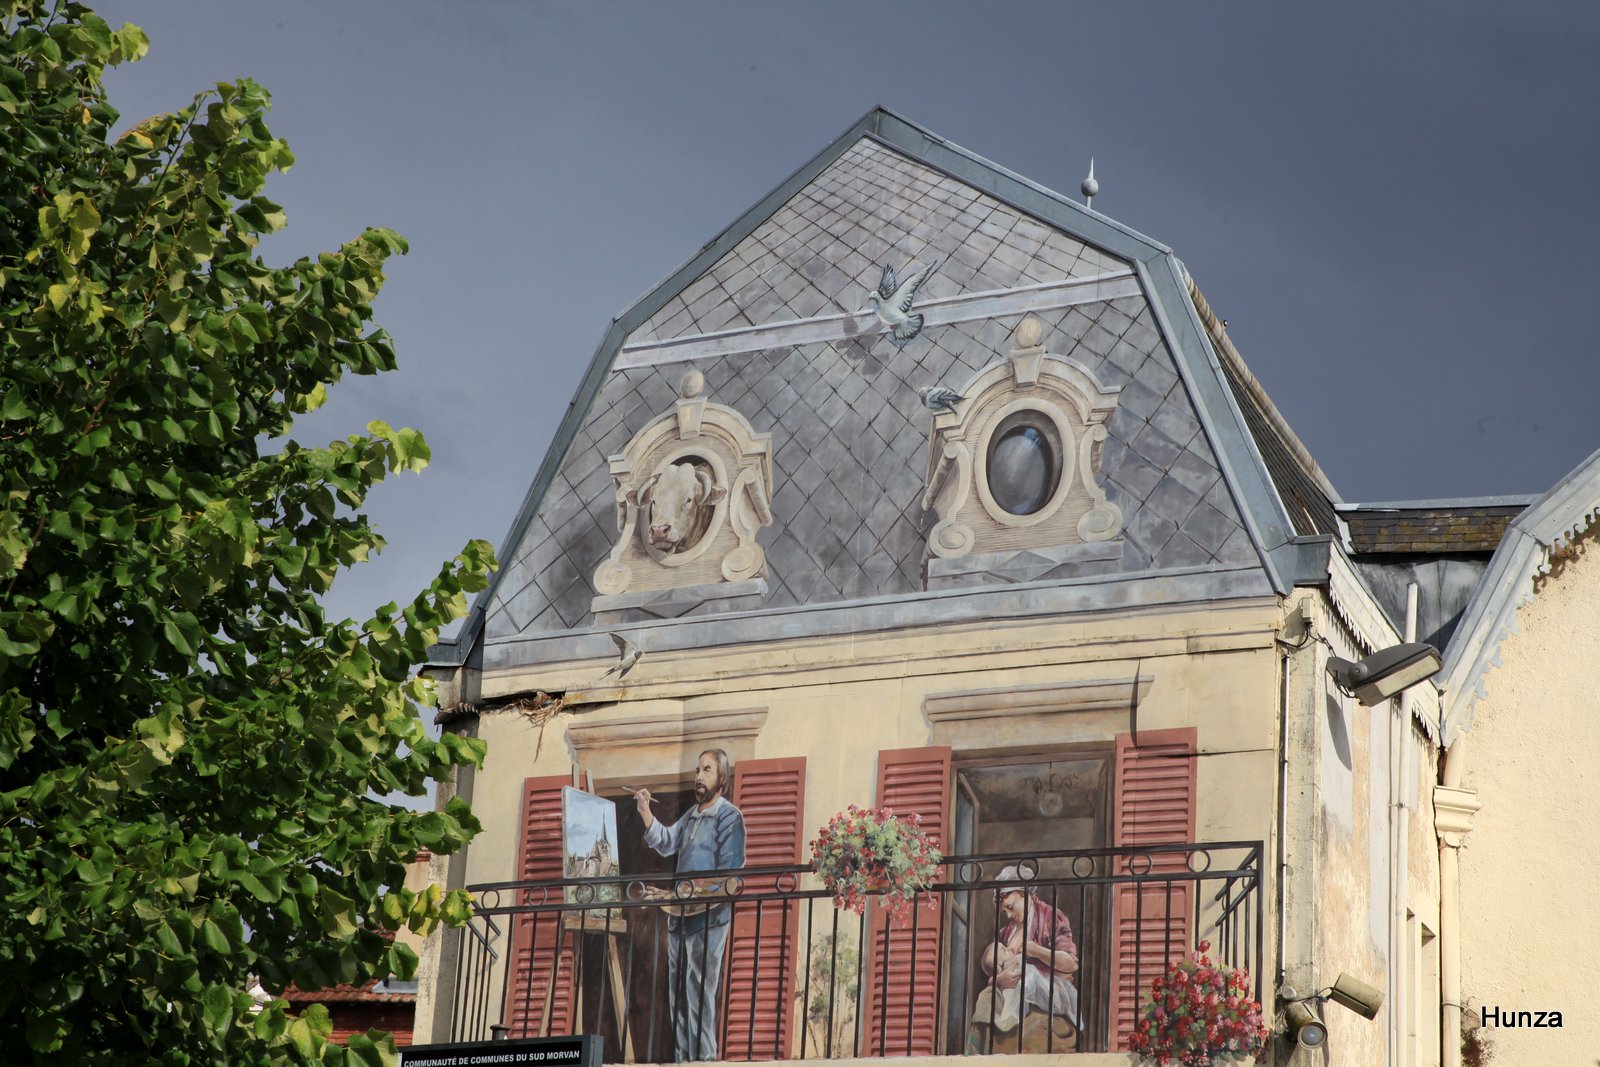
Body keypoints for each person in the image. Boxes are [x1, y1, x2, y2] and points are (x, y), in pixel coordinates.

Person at [634, 749, 746, 1061]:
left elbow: (731, 874)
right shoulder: (692, 816)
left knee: (699, 992)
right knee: (678, 994)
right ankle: (683, 1058)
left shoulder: (729, 817)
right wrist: (645, 809)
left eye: (706, 770)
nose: (698, 777)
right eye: (697, 770)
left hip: (710, 920)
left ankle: (704, 1059)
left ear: (721, 778)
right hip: (679, 918)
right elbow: (666, 842)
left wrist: (692, 891)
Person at [968, 866, 1079, 1053]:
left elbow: (1071, 964)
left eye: (1010, 908)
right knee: (986, 998)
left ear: (1025, 893)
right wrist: (996, 980)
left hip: (1047, 989)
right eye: (1004, 912)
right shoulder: (1007, 932)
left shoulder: (1050, 917)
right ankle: (975, 1053)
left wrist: (1036, 951)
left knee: (1025, 986)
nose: (1009, 915)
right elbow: (993, 963)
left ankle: (1008, 1022)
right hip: (1013, 988)